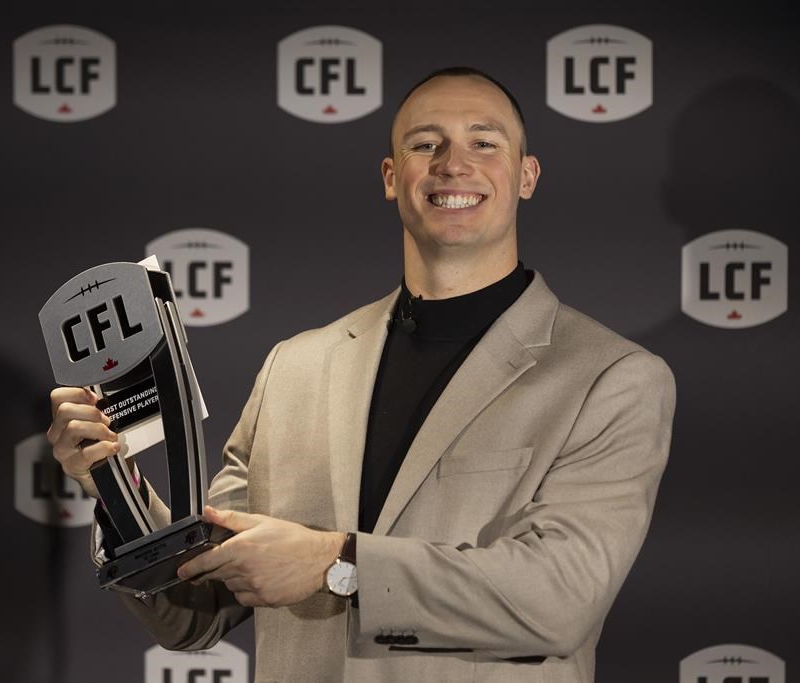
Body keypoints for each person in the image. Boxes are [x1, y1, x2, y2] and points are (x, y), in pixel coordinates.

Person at [47, 66, 676, 682]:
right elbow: (194, 611)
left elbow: (559, 601)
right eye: (425, 144)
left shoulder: (611, 377)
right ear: (391, 176)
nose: (453, 164)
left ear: (526, 175)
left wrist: (334, 564)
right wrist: (111, 479)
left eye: (484, 142)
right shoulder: (295, 368)